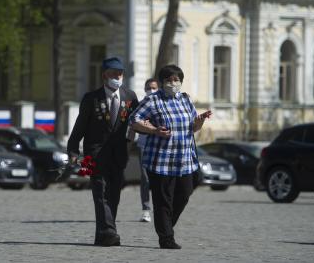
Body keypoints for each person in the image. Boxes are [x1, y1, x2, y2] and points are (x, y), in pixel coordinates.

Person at [129, 65, 212, 249]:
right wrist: (154, 130)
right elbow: (134, 120)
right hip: (161, 161)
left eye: (176, 80)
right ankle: (166, 238)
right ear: (162, 82)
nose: (172, 83)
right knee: (163, 200)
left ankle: (165, 225)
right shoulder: (153, 100)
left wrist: (199, 122)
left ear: (181, 82)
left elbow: (192, 128)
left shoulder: (185, 99)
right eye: (168, 80)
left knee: (184, 194)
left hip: (185, 160)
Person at [67, 57, 139, 247]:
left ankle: (104, 234)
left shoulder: (130, 97)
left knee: (113, 194)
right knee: (100, 192)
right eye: (114, 73)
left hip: (119, 154)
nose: (118, 76)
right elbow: (79, 127)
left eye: (120, 73)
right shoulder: (91, 98)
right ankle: (109, 231)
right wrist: (73, 150)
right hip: (94, 154)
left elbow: (139, 121)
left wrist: (137, 140)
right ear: (104, 75)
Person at [136, 78, 159, 223]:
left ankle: (160, 209)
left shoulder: (162, 104)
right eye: (149, 87)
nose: (151, 90)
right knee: (145, 178)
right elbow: (134, 123)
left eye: (154, 88)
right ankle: (146, 210)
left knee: (158, 179)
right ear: (145, 89)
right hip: (144, 145)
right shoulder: (141, 105)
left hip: (159, 145)